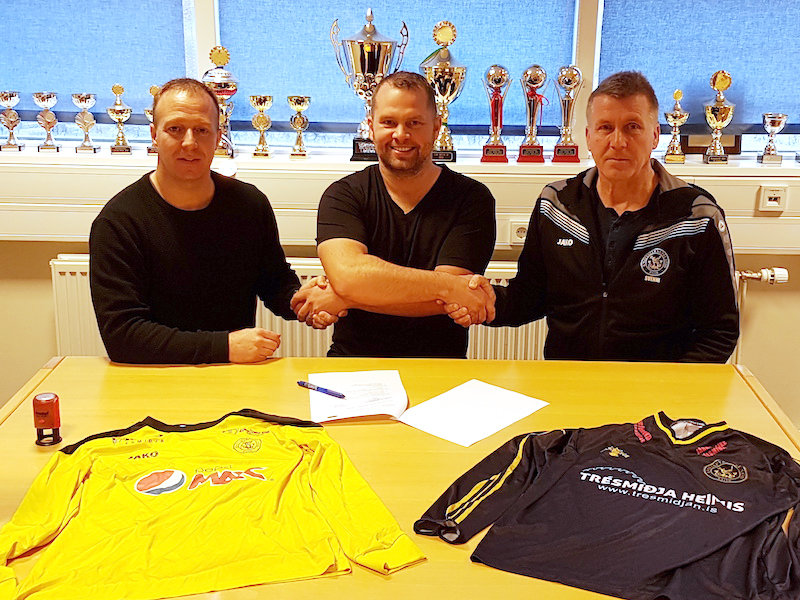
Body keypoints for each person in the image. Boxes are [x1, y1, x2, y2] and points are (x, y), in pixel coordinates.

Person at [447, 71, 739, 362]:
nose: (618, 141)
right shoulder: (556, 203)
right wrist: (486, 301)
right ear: (588, 137)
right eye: (605, 128)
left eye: (633, 127)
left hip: (658, 385)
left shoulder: (697, 216)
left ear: (655, 136)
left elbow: (719, 331)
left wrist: (674, 385)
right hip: (569, 378)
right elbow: (530, 297)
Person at [90, 77, 324, 364]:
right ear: (154, 134)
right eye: (175, 129)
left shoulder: (249, 205)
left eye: (201, 130)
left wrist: (301, 300)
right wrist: (223, 346)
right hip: (153, 377)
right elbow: (122, 337)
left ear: (217, 136)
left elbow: (273, 281)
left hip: (233, 374)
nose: (189, 143)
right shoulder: (118, 222)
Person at [291, 71, 497, 357]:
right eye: (389, 122)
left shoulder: (472, 199)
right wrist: (448, 287)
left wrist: (344, 297)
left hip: (441, 366)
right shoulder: (343, 195)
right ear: (370, 126)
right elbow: (350, 277)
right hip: (352, 363)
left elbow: (448, 302)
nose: (401, 134)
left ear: (436, 127)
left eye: (414, 123)